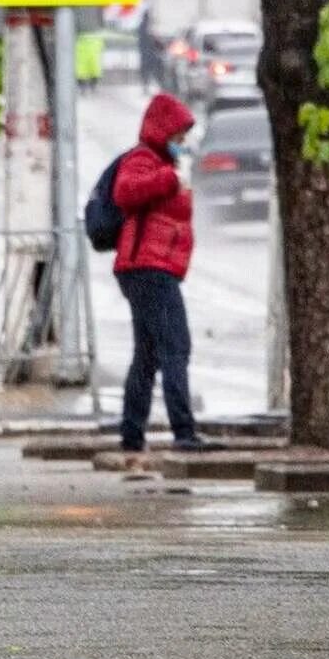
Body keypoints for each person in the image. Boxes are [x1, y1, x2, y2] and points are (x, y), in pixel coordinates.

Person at [110, 92, 213, 453]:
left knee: (149, 352)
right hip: (148, 268)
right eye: (178, 136)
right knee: (175, 347)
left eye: (185, 137)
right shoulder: (143, 159)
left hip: (152, 268)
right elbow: (125, 193)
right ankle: (183, 432)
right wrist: (168, 180)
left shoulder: (165, 164)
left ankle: (131, 432)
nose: (182, 144)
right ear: (162, 130)